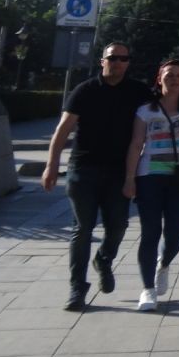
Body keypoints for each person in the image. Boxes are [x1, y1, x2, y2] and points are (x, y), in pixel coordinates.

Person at [42, 43, 151, 311]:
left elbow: (166, 104)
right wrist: (52, 165)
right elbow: (62, 130)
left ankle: (104, 258)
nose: (118, 62)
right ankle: (77, 288)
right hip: (83, 169)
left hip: (119, 172)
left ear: (128, 63)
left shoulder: (138, 91)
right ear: (102, 61)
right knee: (82, 229)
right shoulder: (85, 90)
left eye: (123, 58)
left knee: (118, 225)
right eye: (113, 58)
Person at [124, 56, 179, 311]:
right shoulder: (146, 110)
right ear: (159, 78)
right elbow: (136, 144)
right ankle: (147, 290)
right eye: (169, 74)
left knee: (177, 234)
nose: (174, 79)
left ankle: (163, 264)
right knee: (150, 233)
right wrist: (130, 178)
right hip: (149, 177)